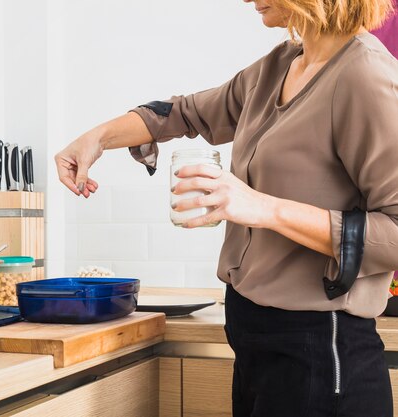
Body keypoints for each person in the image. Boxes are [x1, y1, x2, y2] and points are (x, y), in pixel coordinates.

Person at [54, 0, 398, 416]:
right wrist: (97, 138)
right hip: (253, 336)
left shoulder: (366, 76)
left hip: (320, 350)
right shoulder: (281, 65)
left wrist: (262, 207)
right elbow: (183, 113)